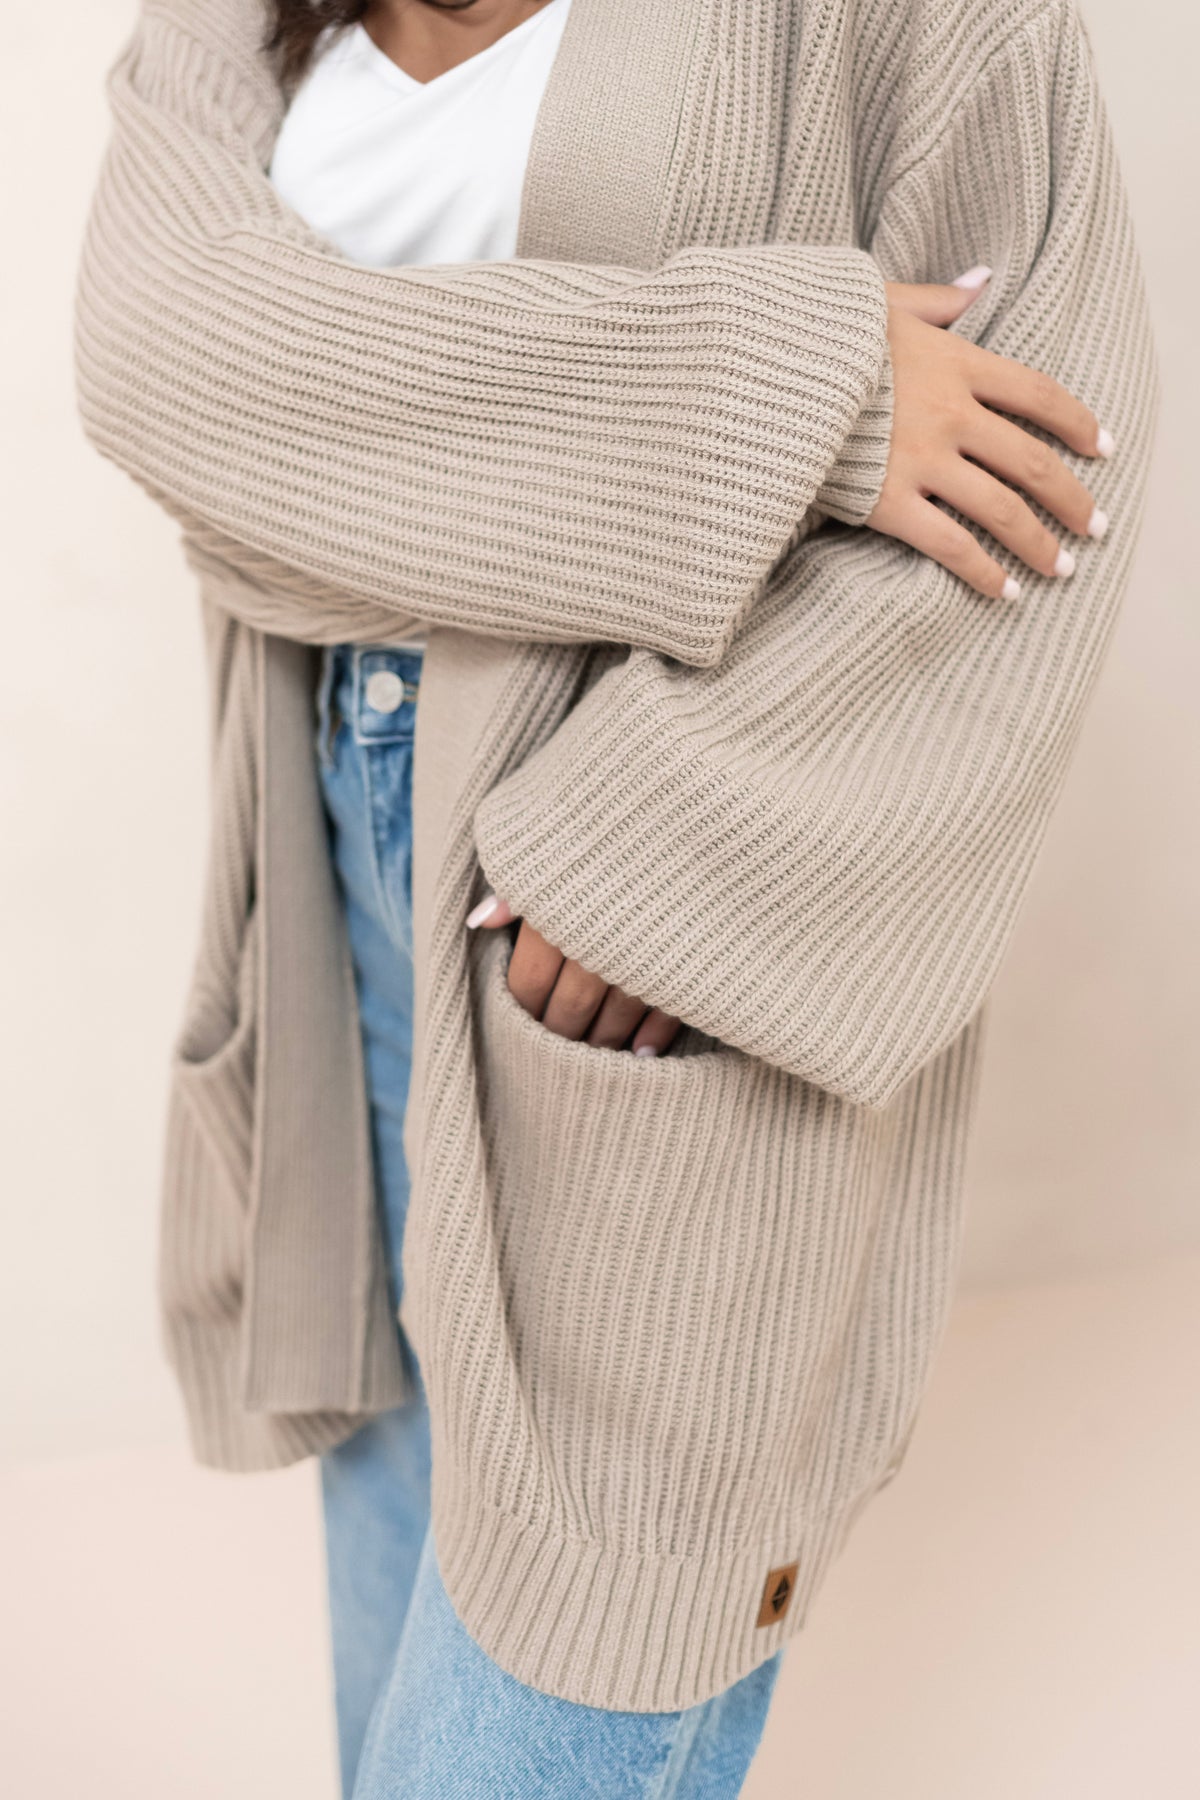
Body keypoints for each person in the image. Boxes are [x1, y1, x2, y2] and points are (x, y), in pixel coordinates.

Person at [73, 0, 1159, 1794]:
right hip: (339, 914)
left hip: (621, 949)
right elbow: (162, 352)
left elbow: (1045, 483)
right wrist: (793, 392)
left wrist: (664, 871)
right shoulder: (227, 14)